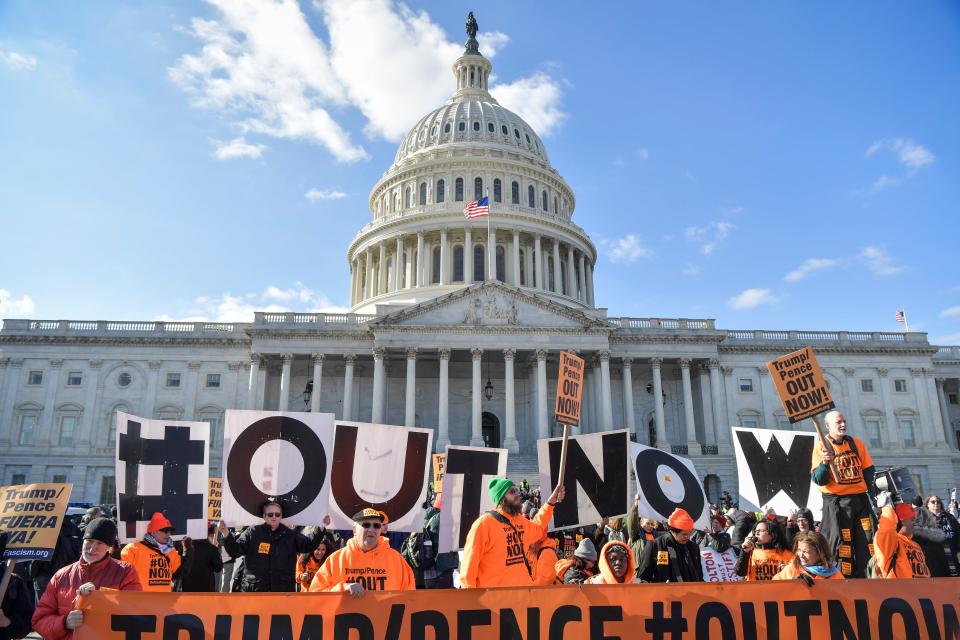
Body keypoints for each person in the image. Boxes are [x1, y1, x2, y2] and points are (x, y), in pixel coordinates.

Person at [32, 518, 141, 640]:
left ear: (109, 548)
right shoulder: (61, 575)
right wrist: (65, 623)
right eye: (89, 541)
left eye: (99, 543)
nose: (92, 548)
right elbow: (39, 621)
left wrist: (99, 598)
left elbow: (133, 614)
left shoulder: (125, 572)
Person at [460, 477, 565, 588]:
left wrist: (551, 502)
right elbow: (469, 566)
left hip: (521, 598)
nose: (517, 494)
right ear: (501, 498)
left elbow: (538, 527)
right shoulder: (484, 524)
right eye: (512, 491)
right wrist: (470, 599)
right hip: (494, 599)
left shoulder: (520, 521)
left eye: (517, 490)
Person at [810, 409, 876, 578]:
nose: (843, 424)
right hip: (836, 503)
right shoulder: (821, 447)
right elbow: (819, 480)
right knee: (841, 545)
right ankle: (842, 580)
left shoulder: (857, 444)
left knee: (867, 541)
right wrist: (825, 463)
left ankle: (868, 578)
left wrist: (875, 499)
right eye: (838, 422)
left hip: (860, 500)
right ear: (827, 425)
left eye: (843, 421)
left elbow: (869, 472)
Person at [219, 500, 327, 592]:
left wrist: (321, 528)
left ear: (281, 516)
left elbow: (308, 545)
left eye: (277, 514)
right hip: (255, 591)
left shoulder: (290, 534)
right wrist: (225, 533)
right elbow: (235, 551)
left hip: (282, 591)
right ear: (264, 517)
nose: (274, 517)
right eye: (270, 515)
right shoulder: (253, 532)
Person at [309, 508, 414, 596]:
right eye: (366, 525)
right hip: (346, 620)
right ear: (354, 530)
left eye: (376, 526)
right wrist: (343, 588)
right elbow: (315, 594)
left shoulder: (396, 560)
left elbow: (411, 597)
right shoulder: (335, 560)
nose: (371, 529)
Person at [872, 491, 930, 578]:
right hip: (898, 590)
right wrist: (887, 507)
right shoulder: (891, 542)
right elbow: (887, 528)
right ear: (900, 522)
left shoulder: (916, 545)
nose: (915, 522)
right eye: (911, 519)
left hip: (920, 590)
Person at [120, 512, 182, 592]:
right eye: (165, 531)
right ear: (153, 532)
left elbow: (180, 572)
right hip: (141, 601)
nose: (169, 534)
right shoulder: (133, 549)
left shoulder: (171, 551)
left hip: (165, 602)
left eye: (170, 531)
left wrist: (188, 551)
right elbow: (121, 573)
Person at [636, 508, 703, 583]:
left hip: (691, 592)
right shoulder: (655, 546)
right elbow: (643, 578)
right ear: (673, 532)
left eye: (689, 533)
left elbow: (699, 576)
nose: (688, 537)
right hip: (664, 593)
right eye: (684, 534)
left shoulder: (693, 548)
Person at [773, 531, 843, 583]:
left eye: (806, 552)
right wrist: (793, 583)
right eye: (799, 550)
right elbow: (774, 587)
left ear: (820, 554)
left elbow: (845, 598)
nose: (801, 555)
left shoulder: (834, 574)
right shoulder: (793, 569)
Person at [176, 523, 223, 592]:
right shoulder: (212, 548)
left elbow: (179, 567)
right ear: (209, 533)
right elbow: (218, 568)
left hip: (187, 589)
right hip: (206, 589)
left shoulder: (185, 547)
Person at [924, 494, 960, 577]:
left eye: (938, 502)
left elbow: (957, 534)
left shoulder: (950, 518)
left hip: (951, 559)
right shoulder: (924, 520)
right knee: (939, 586)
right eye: (933, 502)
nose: (936, 503)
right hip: (934, 561)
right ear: (927, 505)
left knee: (955, 584)